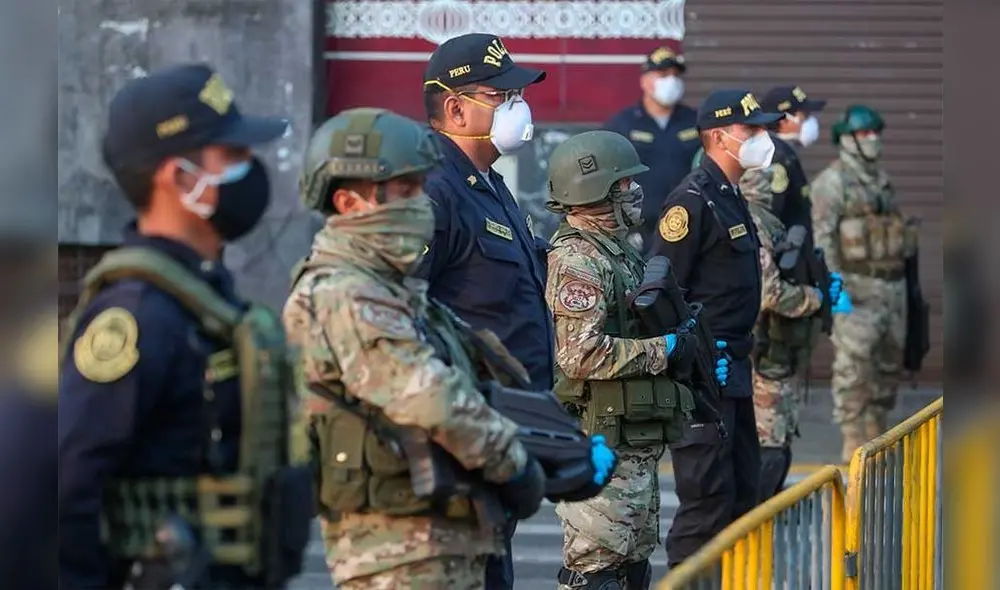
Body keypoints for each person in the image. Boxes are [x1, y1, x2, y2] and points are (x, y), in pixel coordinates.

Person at [58, 63, 311, 589]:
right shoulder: (138, 316)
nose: (252, 169)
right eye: (233, 155)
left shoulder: (205, 298)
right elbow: (62, 485)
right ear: (179, 178)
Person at [284, 107, 549, 590]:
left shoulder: (398, 292)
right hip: (396, 551)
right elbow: (429, 398)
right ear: (349, 202)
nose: (421, 205)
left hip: (446, 535)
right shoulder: (345, 292)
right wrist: (516, 463)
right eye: (405, 191)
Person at [545, 130, 727, 589]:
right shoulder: (578, 261)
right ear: (597, 190)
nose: (635, 191)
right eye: (625, 183)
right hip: (602, 444)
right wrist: (665, 350)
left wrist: (693, 354)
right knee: (597, 572)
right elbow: (580, 355)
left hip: (633, 442)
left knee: (631, 569)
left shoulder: (619, 250)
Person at [419, 32, 554, 588]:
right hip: (458, 442)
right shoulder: (433, 191)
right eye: (501, 96)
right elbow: (401, 316)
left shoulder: (490, 187)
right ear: (455, 108)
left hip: (499, 437)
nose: (518, 107)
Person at [650, 89, 782, 567]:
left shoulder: (730, 195)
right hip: (706, 375)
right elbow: (661, 292)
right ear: (719, 137)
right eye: (751, 129)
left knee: (742, 496)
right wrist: (688, 361)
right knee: (705, 504)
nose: (762, 137)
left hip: (735, 368)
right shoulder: (692, 201)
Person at [811, 105, 917, 462]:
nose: (872, 139)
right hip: (857, 290)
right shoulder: (832, 183)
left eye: (875, 132)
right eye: (864, 133)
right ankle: (853, 440)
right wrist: (834, 286)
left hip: (891, 288)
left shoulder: (880, 180)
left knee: (888, 366)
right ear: (846, 139)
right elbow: (823, 240)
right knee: (854, 368)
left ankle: (877, 436)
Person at [740, 165, 848, 499]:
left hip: (772, 347)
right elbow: (769, 293)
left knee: (777, 434)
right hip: (760, 348)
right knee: (769, 436)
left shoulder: (761, 220)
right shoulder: (751, 222)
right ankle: (755, 513)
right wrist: (814, 298)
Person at [604, 46, 700, 255]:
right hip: (640, 231)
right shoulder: (624, 124)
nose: (671, 81)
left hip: (687, 225)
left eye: (675, 75)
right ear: (644, 81)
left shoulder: (694, 121)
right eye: (663, 75)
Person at [757, 85, 828, 230]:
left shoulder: (786, 153)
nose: (810, 121)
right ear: (783, 120)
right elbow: (772, 215)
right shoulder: (774, 157)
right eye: (804, 116)